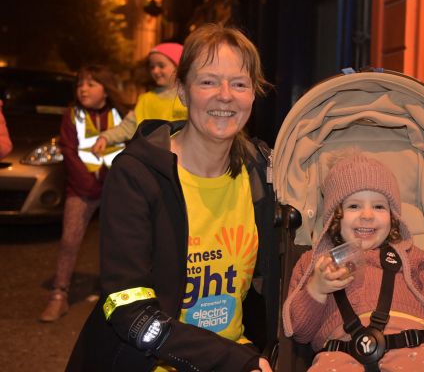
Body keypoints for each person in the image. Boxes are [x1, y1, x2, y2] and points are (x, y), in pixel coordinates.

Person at [66, 24, 276, 372]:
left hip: (240, 356)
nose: (225, 95)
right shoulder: (138, 174)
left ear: (253, 94)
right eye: (208, 81)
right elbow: (125, 307)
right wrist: (233, 360)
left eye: (239, 83)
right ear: (182, 91)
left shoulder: (261, 172)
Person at [282, 154, 424, 371]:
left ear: (393, 216)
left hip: (413, 351)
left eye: (379, 207)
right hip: (340, 355)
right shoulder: (315, 265)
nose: (367, 215)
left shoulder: (416, 259)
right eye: (353, 206)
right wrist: (317, 288)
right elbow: (300, 332)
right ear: (335, 216)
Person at [39, 65, 128, 322]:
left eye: (91, 84)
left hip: (115, 190)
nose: (83, 89)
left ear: (106, 89)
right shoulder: (72, 115)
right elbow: (68, 151)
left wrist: (116, 186)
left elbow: (129, 148)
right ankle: (58, 295)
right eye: (80, 84)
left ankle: (116, 298)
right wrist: (87, 186)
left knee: (118, 243)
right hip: (81, 189)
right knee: (69, 241)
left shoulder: (120, 114)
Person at [91, 42, 187, 154]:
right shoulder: (145, 100)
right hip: (153, 160)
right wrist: (105, 137)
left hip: (185, 162)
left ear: (179, 66)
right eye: (152, 67)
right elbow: (129, 127)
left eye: (161, 65)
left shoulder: (191, 97)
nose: (155, 71)